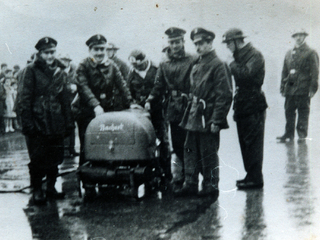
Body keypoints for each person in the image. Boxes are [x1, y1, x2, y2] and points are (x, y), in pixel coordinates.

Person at [174, 28, 233, 197]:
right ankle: (191, 183)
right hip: (193, 114)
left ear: (210, 43)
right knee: (190, 149)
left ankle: (211, 185)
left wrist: (216, 120)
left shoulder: (218, 65)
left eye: (201, 43)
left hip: (207, 116)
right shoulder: (198, 63)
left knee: (208, 151)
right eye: (196, 44)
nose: (198, 47)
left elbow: (225, 96)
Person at [19, 37, 75, 205]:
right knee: (37, 157)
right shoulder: (30, 70)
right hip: (38, 120)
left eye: (52, 52)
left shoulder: (60, 71)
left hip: (56, 120)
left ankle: (51, 188)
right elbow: (24, 99)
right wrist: (27, 124)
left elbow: (64, 99)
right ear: (40, 53)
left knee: (56, 156)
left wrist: (68, 122)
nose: (50, 56)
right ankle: (37, 190)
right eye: (46, 53)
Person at [76, 34, 132, 197]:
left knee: (111, 143)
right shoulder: (83, 66)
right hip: (87, 111)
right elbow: (83, 87)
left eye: (102, 49)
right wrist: (95, 105)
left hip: (107, 110)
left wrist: (130, 102)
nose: (100, 52)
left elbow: (122, 85)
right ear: (90, 50)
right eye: (96, 49)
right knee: (88, 145)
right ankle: (88, 180)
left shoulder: (112, 65)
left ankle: (110, 178)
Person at [145, 27, 195, 191]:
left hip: (189, 106)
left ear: (183, 42)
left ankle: (191, 180)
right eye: (171, 42)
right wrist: (150, 100)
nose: (174, 45)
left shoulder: (193, 59)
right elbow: (158, 86)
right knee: (178, 144)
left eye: (177, 42)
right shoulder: (164, 63)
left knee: (191, 144)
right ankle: (180, 178)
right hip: (173, 108)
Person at [222, 28, 268, 189]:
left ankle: (256, 178)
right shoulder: (238, 56)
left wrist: (232, 63)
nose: (227, 46)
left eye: (228, 43)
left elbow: (247, 74)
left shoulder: (254, 55)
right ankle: (250, 175)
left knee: (253, 143)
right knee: (245, 142)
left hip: (254, 104)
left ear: (237, 41)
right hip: (242, 104)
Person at [127, 50, 171, 183]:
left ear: (145, 60)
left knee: (162, 140)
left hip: (158, 110)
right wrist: (132, 103)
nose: (136, 68)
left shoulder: (157, 69)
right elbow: (128, 90)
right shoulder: (132, 73)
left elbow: (162, 87)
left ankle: (166, 172)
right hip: (140, 112)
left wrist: (152, 101)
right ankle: (148, 172)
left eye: (138, 65)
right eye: (134, 65)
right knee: (144, 140)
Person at [277, 29, 319, 142]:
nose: (298, 38)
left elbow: (315, 73)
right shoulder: (289, 53)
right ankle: (289, 134)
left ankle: (301, 135)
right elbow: (284, 71)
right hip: (290, 88)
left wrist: (312, 89)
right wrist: (282, 86)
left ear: (304, 36)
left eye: (300, 35)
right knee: (288, 111)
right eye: (296, 36)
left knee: (303, 111)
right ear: (293, 37)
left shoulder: (311, 52)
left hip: (303, 88)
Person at [59, 54, 79, 157]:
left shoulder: (75, 71)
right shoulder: (58, 72)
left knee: (72, 126)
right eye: (62, 60)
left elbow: (80, 82)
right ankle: (66, 150)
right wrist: (68, 87)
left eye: (66, 60)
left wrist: (76, 86)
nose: (64, 62)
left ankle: (72, 148)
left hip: (74, 101)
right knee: (65, 126)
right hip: (63, 103)